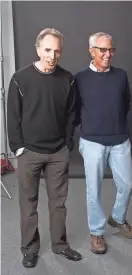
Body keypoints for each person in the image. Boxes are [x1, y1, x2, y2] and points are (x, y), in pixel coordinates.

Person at [7, 28, 82, 268]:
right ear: (38, 49)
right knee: (28, 204)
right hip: (29, 152)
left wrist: (68, 143)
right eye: (48, 50)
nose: (52, 55)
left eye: (57, 51)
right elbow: (13, 116)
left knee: (58, 203)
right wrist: (17, 148)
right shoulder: (20, 78)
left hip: (58, 151)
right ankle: (30, 249)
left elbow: (72, 114)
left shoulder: (67, 79)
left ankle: (60, 245)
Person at [74, 32, 132, 254]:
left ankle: (118, 218)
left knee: (128, 184)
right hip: (92, 141)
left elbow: (125, 103)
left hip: (120, 139)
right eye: (103, 50)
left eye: (111, 50)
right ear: (91, 51)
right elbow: (75, 109)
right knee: (94, 189)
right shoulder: (80, 78)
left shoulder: (121, 76)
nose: (108, 54)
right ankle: (96, 232)